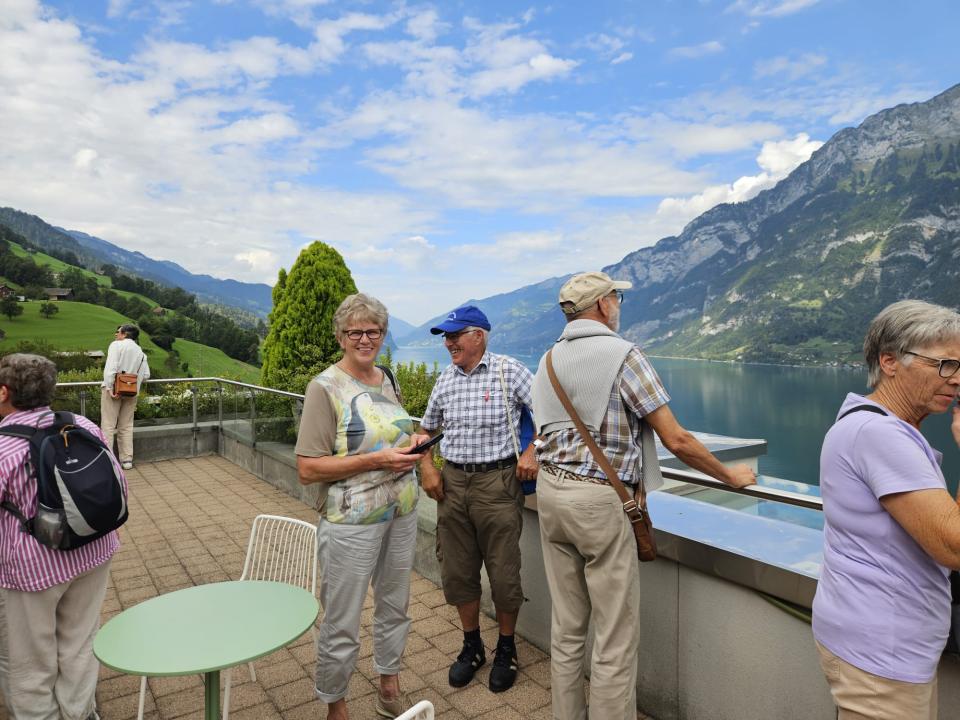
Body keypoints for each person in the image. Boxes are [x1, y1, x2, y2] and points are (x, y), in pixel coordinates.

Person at [530, 271, 756, 720]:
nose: (619, 303)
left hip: (550, 494)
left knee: (568, 628)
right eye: (616, 297)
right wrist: (728, 476)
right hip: (597, 504)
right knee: (614, 637)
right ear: (601, 305)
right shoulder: (623, 355)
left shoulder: (548, 359)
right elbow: (677, 439)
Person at [812, 299, 960, 720]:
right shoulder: (880, 435)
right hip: (882, 654)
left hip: (880, 643)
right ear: (890, 361)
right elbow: (954, 546)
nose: (957, 380)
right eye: (946, 365)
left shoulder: (871, 424)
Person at [295, 293, 429, 720]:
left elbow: (391, 431)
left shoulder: (386, 377)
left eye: (373, 331)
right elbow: (308, 468)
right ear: (340, 337)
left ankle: (388, 679)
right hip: (351, 521)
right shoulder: (324, 388)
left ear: (383, 335)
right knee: (342, 618)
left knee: (395, 604)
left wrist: (413, 444)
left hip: (401, 512)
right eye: (355, 332)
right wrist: (377, 460)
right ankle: (336, 703)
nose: (364, 338)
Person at [418, 304, 538, 693]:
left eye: (455, 335)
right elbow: (424, 430)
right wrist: (429, 467)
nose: (448, 343)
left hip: (497, 484)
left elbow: (551, 417)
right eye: (445, 337)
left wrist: (531, 452)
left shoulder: (510, 371)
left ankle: (506, 648)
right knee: (456, 570)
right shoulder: (445, 379)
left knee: (504, 572)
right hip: (452, 484)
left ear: (479, 336)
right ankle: (472, 646)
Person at [0, 353, 124, 720]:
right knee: (79, 642)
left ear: (4, 391)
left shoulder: (4, 446)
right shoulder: (83, 425)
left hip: (31, 571)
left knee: (28, 659)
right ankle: (81, 712)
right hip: (94, 551)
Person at [101, 324, 150, 470]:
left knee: (108, 425)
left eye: (118, 332)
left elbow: (111, 368)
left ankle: (108, 459)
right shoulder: (140, 352)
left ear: (124, 333)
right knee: (126, 425)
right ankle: (126, 460)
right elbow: (146, 375)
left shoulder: (116, 345)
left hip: (114, 389)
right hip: (131, 391)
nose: (116, 334)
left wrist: (109, 387)